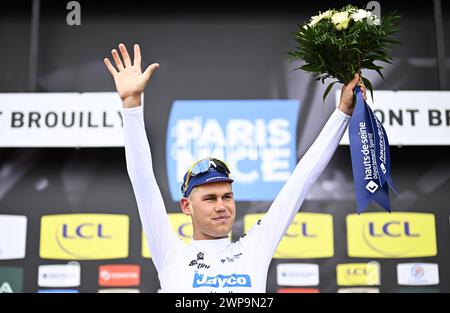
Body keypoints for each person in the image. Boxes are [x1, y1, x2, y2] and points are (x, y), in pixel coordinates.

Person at [104, 43, 366, 292]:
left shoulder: (254, 248)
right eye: (209, 198)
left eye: (227, 196)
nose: (222, 206)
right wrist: (131, 104)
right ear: (187, 206)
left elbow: (301, 181)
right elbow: (143, 183)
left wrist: (342, 112)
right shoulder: (170, 253)